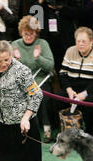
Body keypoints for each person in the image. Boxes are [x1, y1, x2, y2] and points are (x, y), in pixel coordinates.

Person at [12, 15, 54, 143]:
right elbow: (7, 67)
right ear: (21, 33)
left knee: (43, 96)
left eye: (32, 33)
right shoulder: (15, 44)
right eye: (26, 34)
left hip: (40, 80)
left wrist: (38, 58)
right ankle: (17, 129)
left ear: (36, 33)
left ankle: (47, 129)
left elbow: (50, 66)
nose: (29, 36)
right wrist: (16, 60)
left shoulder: (42, 44)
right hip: (21, 81)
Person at [59, 26, 93, 136]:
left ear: (91, 41)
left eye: (84, 41)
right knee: (58, 98)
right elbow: (63, 74)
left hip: (91, 87)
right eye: (78, 41)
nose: (80, 44)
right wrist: (69, 90)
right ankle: (65, 128)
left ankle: (88, 130)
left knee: (90, 103)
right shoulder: (70, 51)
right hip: (72, 86)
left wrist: (84, 94)